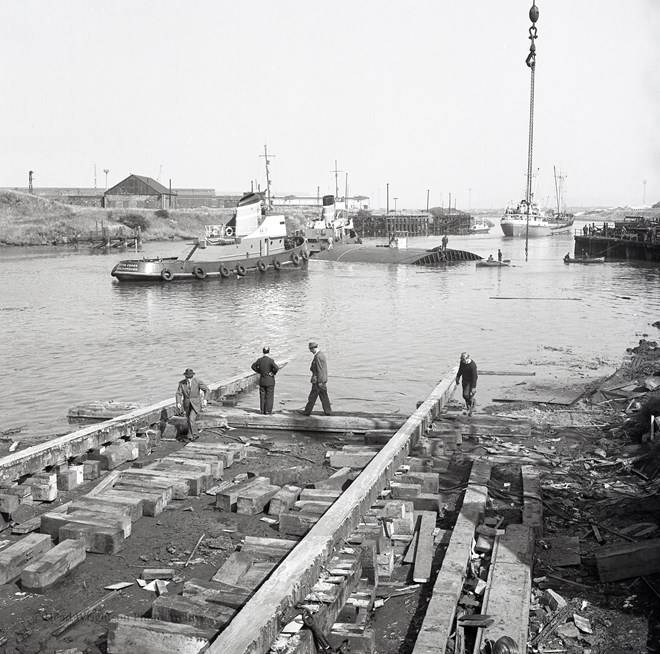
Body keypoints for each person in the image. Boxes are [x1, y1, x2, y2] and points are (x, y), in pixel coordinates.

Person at [175, 368, 209, 441]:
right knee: (188, 419)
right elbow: (178, 393)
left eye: (190, 378)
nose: (188, 379)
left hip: (196, 404)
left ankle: (195, 434)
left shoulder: (197, 381)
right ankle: (190, 435)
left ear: (192, 377)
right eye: (187, 378)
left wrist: (205, 399)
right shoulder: (181, 383)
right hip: (187, 404)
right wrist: (178, 402)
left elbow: (206, 390)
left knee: (191, 418)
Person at [303, 341, 332, 416]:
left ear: (313, 349)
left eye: (310, 350)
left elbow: (320, 369)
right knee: (324, 396)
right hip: (322, 380)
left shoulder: (317, 356)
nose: (310, 351)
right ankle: (328, 411)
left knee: (312, 397)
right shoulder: (321, 355)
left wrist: (319, 382)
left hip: (318, 381)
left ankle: (307, 412)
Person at [251, 345, 279, 414]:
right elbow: (276, 368)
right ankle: (268, 411)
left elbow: (253, 366)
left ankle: (262, 410)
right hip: (270, 381)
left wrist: (259, 371)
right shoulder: (270, 360)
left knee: (262, 396)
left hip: (262, 380)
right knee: (269, 396)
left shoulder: (260, 360)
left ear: (263, 352)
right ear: (269, 352)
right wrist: (272, 373)